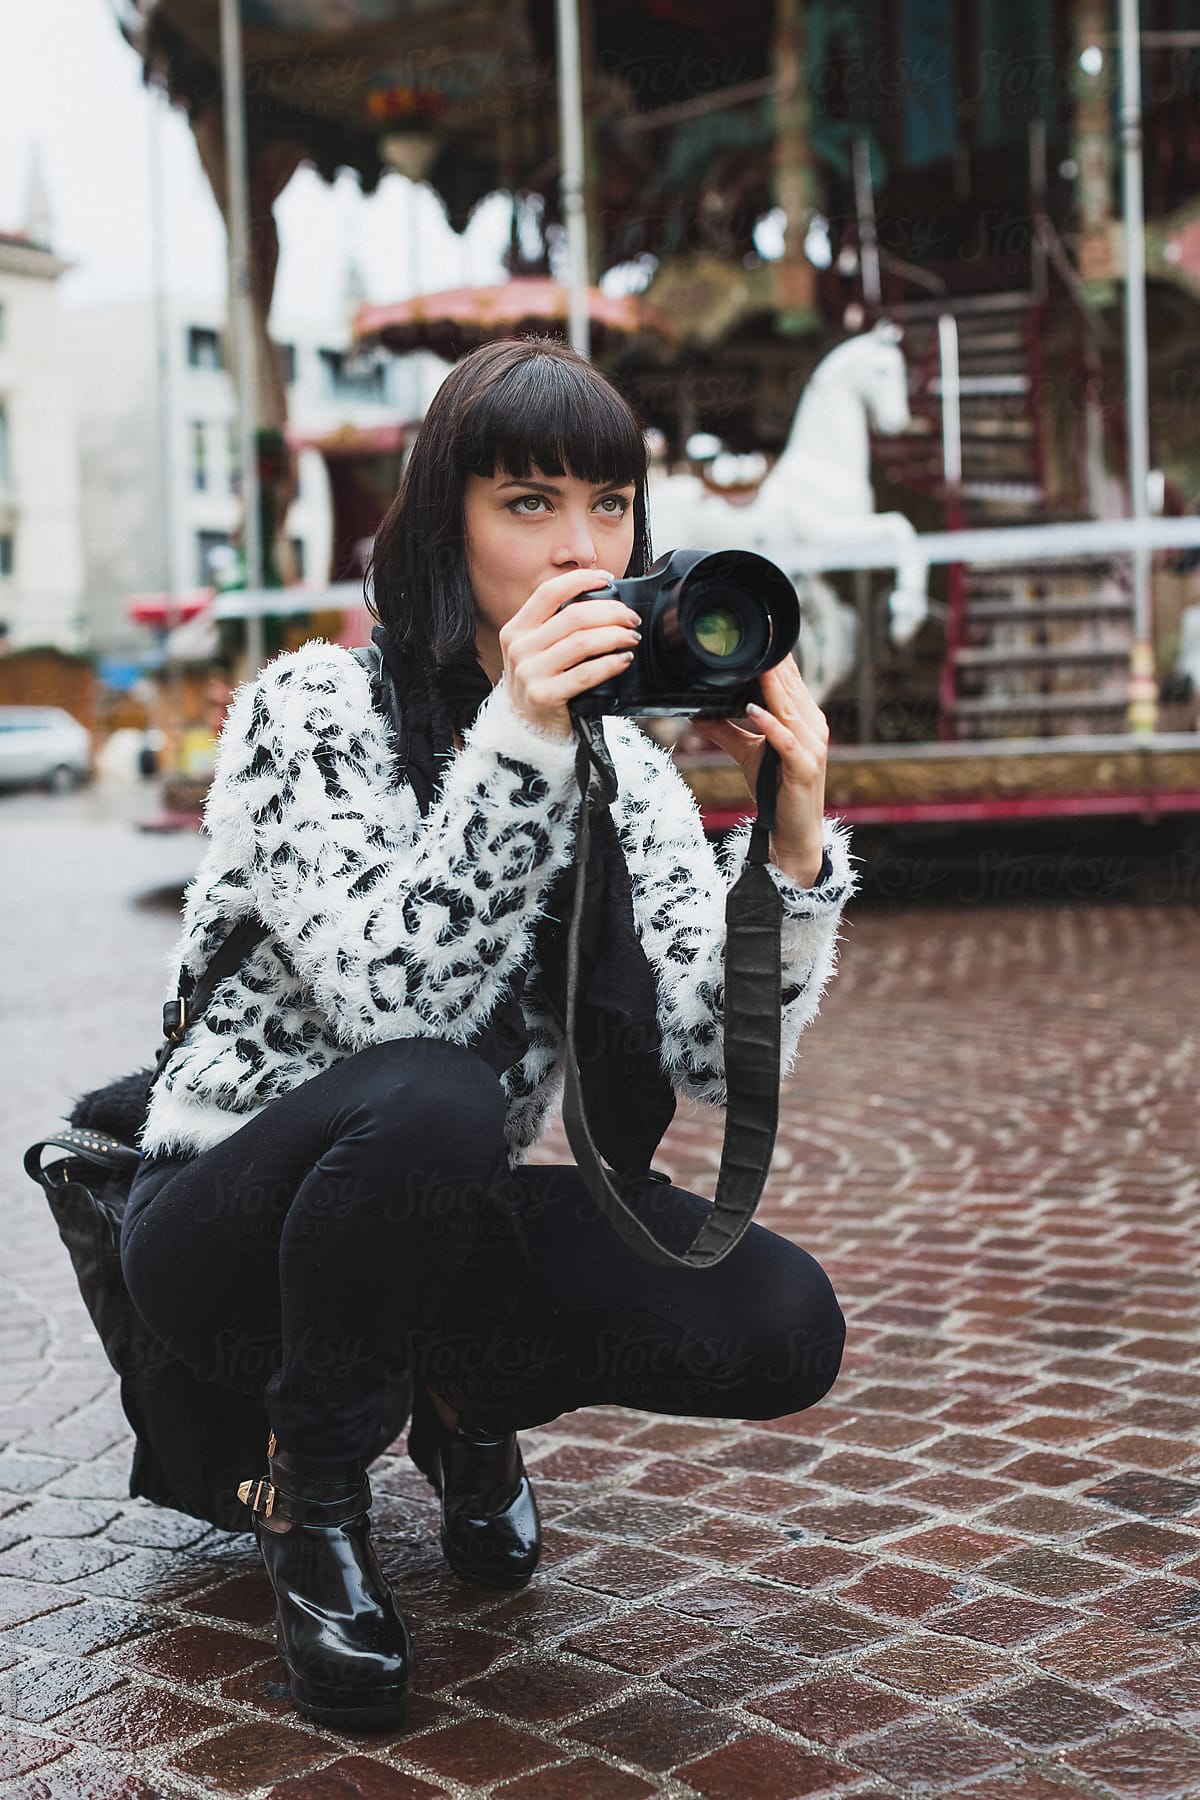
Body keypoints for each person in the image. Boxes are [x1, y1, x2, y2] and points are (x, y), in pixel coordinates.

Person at [119, 336, 860, 1734]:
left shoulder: (626, 767)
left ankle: (459, 1395)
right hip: (224, 1219)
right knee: (435, 1095)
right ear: (444, 524)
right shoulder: (310, 709)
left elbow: (717, 1057)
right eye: (529, 503)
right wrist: (521, 733)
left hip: (430, 1207)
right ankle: (317, 1502)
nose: (582, 549)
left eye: (610, 504)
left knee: (781, 1324)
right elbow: (400, 1011)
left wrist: (793, 841)